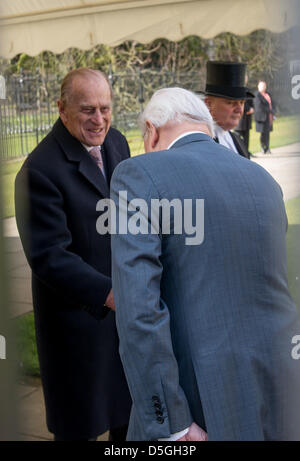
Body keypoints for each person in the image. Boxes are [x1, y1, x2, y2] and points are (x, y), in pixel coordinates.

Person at [110, 87, 300, 441]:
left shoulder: (137, 175)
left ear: (151, 131)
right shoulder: (263, 181)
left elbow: (138, 309)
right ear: (206, 125)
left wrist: (172, 423)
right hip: (276, 389)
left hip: (195, 403)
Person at [15, 68, 132, 441]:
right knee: (79, 425)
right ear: (62, 109)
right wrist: (111, 294)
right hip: (76, 328)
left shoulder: (117, 143)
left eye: (105, 108)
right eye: (87, 110)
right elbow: (50, 256)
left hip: (121, 324)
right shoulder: (38, 171)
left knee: (127, 422)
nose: (99, 120)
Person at [202, 61, 254, 159]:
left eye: (242, 103)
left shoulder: (237, 140)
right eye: (230, 102)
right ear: (208, 104)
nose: (239, 109)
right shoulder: (201, 143)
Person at [234, 75, 254, 156]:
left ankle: (246, 152)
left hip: (247, 119)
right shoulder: (235, 90)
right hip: (240, 120)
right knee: (238, 138)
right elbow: (239, 103)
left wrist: (252, 108)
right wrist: (248, 109)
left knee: (247, 138)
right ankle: (240, 153)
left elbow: (251, 101)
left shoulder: (247, 90)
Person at [254, 80, 275, 154]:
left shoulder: (268, 94)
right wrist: (270, 110)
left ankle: (268, 148)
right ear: (258, 86)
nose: (263, 87)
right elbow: (259, 106)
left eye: (264, 86)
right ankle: (263, 148)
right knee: (263, 133)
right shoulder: (257, 95)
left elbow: (272, 103)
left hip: (269, 117)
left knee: (267, 133)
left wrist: (273, 111)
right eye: (261, 86)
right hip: (261, 117)